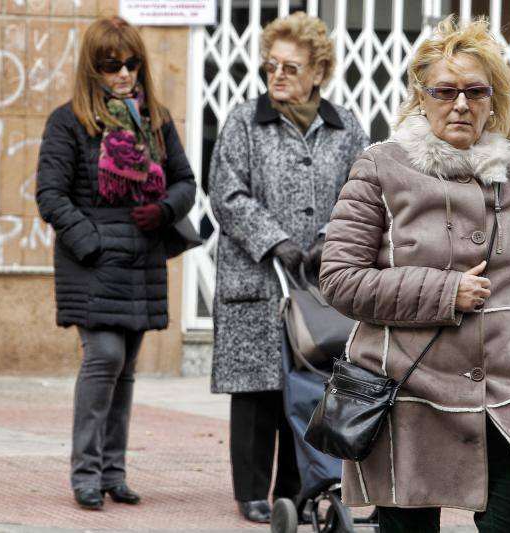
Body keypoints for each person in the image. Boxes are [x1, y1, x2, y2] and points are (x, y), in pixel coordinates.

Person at [319, 16, 510, 533]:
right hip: (408, 395)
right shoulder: (380, 167)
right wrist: (444, 291)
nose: (460, 104)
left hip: (506, 398)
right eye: (445, 90)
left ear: (494, 98)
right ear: (422, 96)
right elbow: (339, 279)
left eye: (475, 91)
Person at [208, 11, 369, 524]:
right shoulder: (242, 121)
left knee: (309, 383)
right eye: (271, 65)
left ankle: (297, 489)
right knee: (256, 390)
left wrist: (329, 239)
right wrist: (274, 240)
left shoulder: (346, 129)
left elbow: (360, 195)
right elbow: (226, 193)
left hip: (318, 280)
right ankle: (252, 491)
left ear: (317, 72)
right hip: (256, 277)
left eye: (291, 67)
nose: (277, 75)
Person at [36, 16, 196, 511]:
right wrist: (93, 242)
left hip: (141, 262)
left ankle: (113, 472)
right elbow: (50, 195)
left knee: (125, 369)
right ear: (93, 69)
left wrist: (165, 209)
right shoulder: (70, 122)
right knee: (103, 357)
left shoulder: (156, 120)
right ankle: (85, 474)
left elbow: (185, 182)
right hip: (94, 262)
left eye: (131, 64)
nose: (123, 73)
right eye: (111, 65)